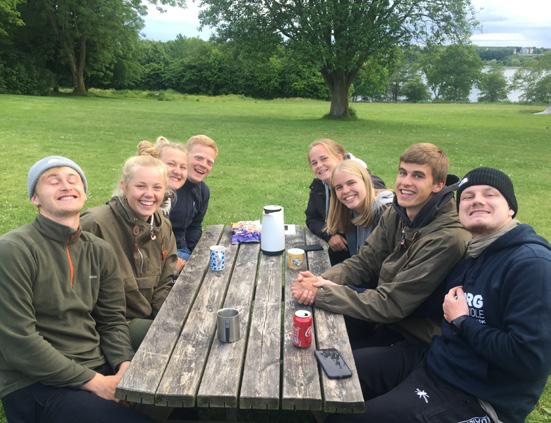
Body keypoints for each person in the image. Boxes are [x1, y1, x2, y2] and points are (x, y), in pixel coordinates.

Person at [328, 167, 551, 423]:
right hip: (435, 362)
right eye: (467, 197)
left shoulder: (532, 265)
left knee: (349, 419)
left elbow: (530, 359)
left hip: (479, 396)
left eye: (490, 194)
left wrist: (463, 322)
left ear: (511, 208)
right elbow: (407, 298)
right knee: (334, 368)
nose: (477, 200)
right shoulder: (472, 254)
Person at [0, 156, 150, 423]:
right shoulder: (14, 250)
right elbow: (19, 341)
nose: (66, 185)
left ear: (84, 193)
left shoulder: (99, 250)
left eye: (73, 179)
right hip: (35, 383)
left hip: (95, 364)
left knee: (183, 396)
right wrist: (97, 383)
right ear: (34, 198)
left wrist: (124, 366)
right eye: (53, 180)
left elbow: (112, 320)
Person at [293, 143, 471, 347]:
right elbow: (364, 261)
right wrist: (320, 280)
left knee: (330, 354)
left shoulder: (447, 238)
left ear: (438, 185)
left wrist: (320, 293)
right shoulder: (398, 212)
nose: (405, 182)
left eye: (418, 176)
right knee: (315, 332)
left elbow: (392, 304)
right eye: (403, 173)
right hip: (384, 317)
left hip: (418, 338)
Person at [81, 151, 177, 350]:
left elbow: (164, 282)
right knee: (176, 338)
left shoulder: (163, 226)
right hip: (111, 324)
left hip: (146, 316)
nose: (149, 194)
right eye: (140, 186)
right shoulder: (95, 224)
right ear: (124, 187)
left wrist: (166, 317)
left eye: (157, 187)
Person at [305, 139, 386, 265]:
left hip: (365, 262)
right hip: (348, 261)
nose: (319, 165)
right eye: (314, 163)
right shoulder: (320, 186)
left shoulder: (373, 192)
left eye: (324, 159)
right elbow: (312, 218)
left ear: (339, 157)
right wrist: (330, 236)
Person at [325, 160, 394, 256]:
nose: (345, 191)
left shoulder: (387, 214)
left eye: (351, 183)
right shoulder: (349, 213)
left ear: (366, 182)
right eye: (339, 187)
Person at [169, 134, 218, 265]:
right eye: (199, 158)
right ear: (185, 157)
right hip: (163, 254)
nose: (204, 165)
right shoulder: (168, 186)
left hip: (183, 249)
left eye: (209, 162)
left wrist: (197, 253)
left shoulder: (203, 191)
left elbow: (195, 226)